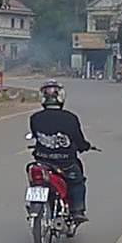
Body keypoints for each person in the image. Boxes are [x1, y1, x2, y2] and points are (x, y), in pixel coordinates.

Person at [29, 79, 92, 223]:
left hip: (43, 162)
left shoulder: (35, 118)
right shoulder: (70, 118)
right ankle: (77, 210)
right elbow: (79, 140)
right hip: (65, 163)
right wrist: (85, 146)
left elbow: (36, 136)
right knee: (77, 181)